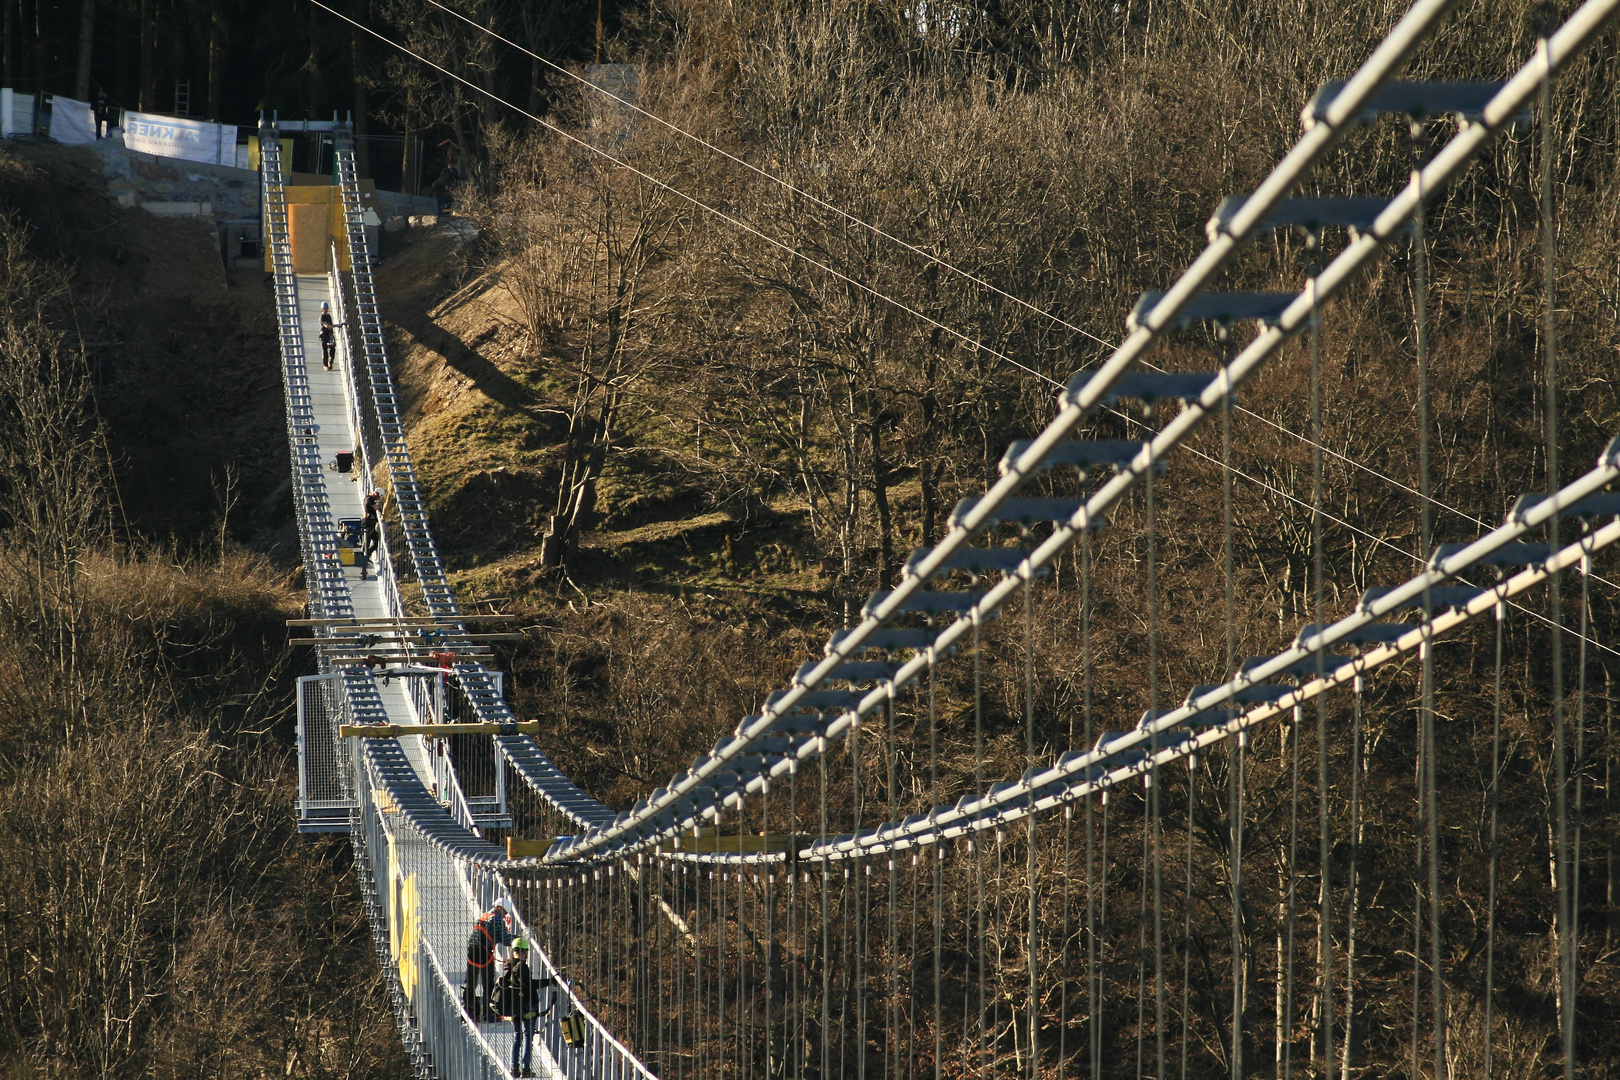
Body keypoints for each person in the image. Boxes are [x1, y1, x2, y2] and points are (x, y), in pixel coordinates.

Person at [496, 937, 556, 1077]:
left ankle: (514, 1068)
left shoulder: (510, 967)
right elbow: (529, 984)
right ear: (523, 952)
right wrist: (549, 981)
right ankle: (526, 1068)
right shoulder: (521, 967)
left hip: (515, 1008)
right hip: (526, 1007)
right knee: (528, 1037)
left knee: (518, 1037)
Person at [464, 899, 513, 1020]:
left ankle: (471, 1013)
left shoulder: (484, 916)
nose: (505, 915)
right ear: (499, 908)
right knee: (488, 984)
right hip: (484, 952)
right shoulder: (496, 919)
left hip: (472, 951)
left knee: (471, 984)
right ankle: (488, 1013)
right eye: (505, 912)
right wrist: (520, 938)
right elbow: (506, 940)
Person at [318, 301, 338, 370]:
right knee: (325, 350)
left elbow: (330, 325)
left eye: (326, 308)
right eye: (324, 308)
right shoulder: (322, 317)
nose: (326, 309)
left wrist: (334, 326)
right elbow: (326, 325)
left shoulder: (328, 316)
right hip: (324, 334)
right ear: (322, 309)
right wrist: (333, 326)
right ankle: (325, 365)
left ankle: (331, 361)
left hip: (330, 334)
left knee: (332, 348)